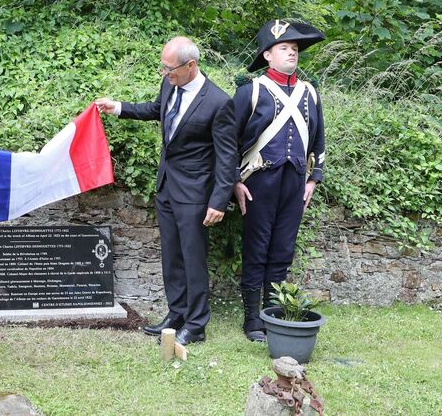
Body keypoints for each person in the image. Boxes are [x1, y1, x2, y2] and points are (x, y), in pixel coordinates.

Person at [96, 37, 236, 346]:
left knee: (193, 258)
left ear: (191, 66)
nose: (164, 73)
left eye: (169, 68)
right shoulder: (170, 84)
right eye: (163, 67)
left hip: (196, 194)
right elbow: (156, 110)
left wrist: (219, 201)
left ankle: (196, 324)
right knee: (172, 257)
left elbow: (227, 157)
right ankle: (177, 314)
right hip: (167, 187)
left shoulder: (219, 102)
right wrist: (118, 107)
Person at [233, 20, 325, 342]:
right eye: (284, 48)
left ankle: (271, 314)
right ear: (267, 56)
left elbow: (319, 142)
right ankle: (251, 320)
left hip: (295, 184)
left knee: (282, 250)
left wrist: (313, 179)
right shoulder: (251, 90)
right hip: (258, 182)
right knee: (256, 250)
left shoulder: (310, 92)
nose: (291, 53)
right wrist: (234, 180)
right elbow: (228, 140)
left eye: (295, 49)